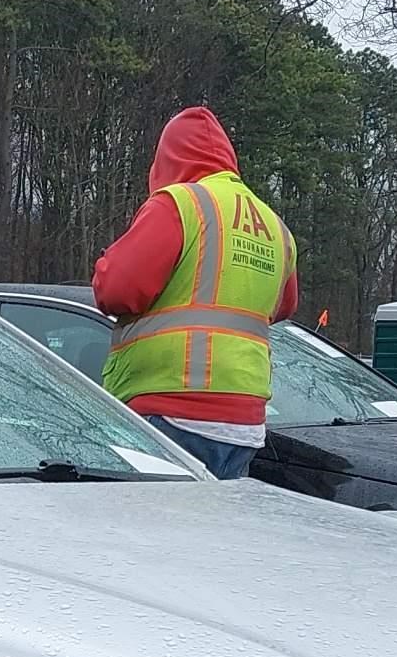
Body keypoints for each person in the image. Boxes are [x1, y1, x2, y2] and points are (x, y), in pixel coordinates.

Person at [92, 106, 298, 479]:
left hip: (171, 407)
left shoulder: (179, 204)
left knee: (154, 533)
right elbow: (284, 305)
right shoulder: (274, 224)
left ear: (167, 159)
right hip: (245, 421)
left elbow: (115, 290)